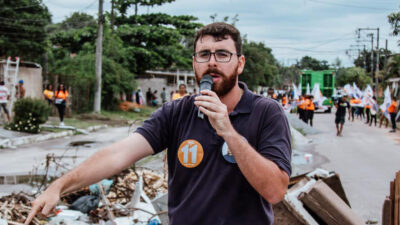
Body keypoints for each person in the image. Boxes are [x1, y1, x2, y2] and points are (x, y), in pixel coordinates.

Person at [25, 22, 291, 225]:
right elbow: (118, 154)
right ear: (194, 63)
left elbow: (275, 191)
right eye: (204, 55)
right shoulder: (175, 112)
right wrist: (58, 186)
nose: (212, 62)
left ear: (240, 63)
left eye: (223, 54)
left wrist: (229, 132)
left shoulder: (267, 113)